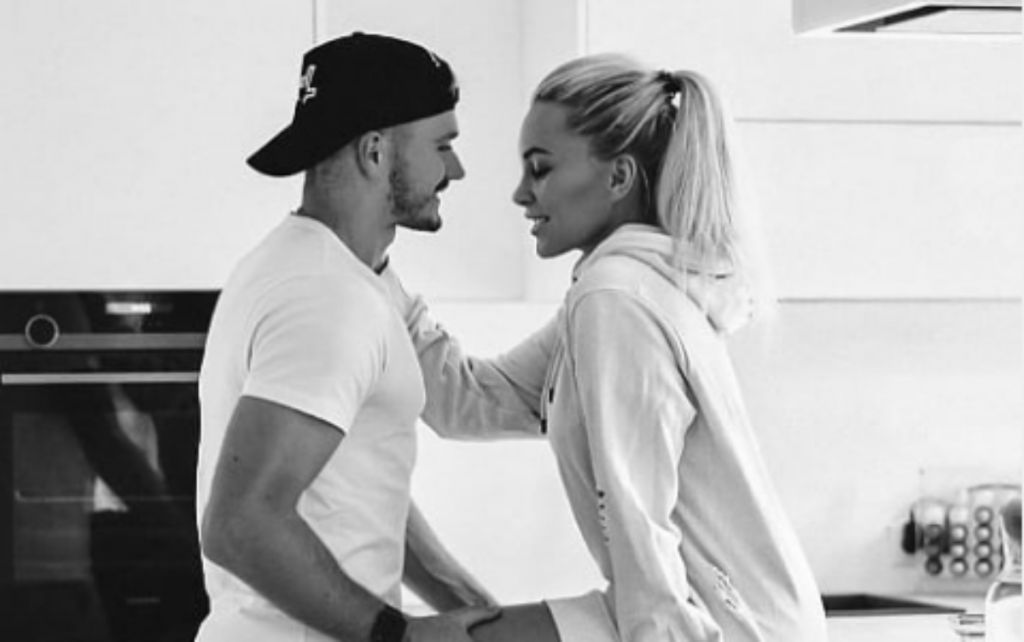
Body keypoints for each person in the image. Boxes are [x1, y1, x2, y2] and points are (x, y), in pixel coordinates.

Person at [380, 54, 829, 641]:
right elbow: (468, 401)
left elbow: (639, 520)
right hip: (728, 614)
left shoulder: (616, 298)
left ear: (618, 178)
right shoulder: (623, 289)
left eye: (540, 169)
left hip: (720, 626)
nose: (520, 194)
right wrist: (372, 266)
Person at [195, 32, 501, 642]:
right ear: (375, 151)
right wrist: (400, 636)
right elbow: (240, 524)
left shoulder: (325, 269)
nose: (456, 170)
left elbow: (346, 489)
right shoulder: (328, 295)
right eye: (442, 146)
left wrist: (468, 606)